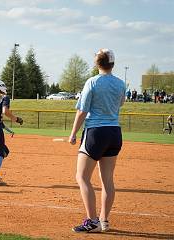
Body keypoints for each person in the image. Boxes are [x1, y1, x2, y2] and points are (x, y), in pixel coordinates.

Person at [69, 49, 126, 233]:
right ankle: (104, 221)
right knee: (107, 180)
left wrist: (73, 133)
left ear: (97, 64)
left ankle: (92, 221)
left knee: (82, 177)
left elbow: (82, 110)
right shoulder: (120, 83)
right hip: (114, 133)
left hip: (96, 133)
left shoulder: (92, 82)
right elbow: (121, 103)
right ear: (113, 64)